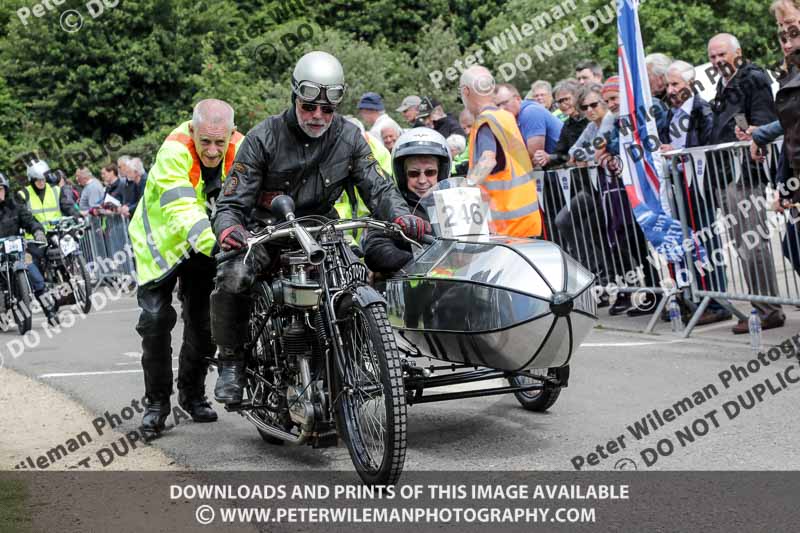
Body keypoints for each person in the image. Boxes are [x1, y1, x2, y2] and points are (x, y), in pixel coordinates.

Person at [210, 51, 421, 405]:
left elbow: (379, 187)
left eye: (327, 109)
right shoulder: (263, 138)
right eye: (309, 107)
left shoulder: (350, 137)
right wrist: (229, 228)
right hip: (266, 232)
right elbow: (231, 202)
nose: (318, 116)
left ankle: (354, 358)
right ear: (294, 98)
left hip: (320, 231)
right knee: (232, 276)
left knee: (355, 273)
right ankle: (231, 361)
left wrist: (402, 215)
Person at [128, 99, 245, 438]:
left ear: (231, 134)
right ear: (192, 130)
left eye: (219, 143)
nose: (211, 151)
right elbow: (182, 210)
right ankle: (156, 404)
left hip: (207, 244)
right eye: (204, 141)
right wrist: (218, 244)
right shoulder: (173, 151)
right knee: (154, 322)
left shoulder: (241, 147)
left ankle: (192, 395)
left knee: (205, 322)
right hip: (162, 245)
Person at [707, 32, 784, 333]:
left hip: (747, 174)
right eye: (712, 56)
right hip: (727, 174)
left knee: (752, 243)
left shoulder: (754, 77)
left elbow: (767, 121)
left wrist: (753, 131)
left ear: (737, 53)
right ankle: (760, 305)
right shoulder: (723, 83)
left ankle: (769, 309)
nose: (717, 61)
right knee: (742, 243)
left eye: (722, 55)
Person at [657, 59, 731, 325]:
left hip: (698, 186)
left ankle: (717, 300)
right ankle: (695, 297)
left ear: (689, 84)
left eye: (676, 84)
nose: (671, 90)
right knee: (688, 242)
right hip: (678, 186)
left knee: (706, 240)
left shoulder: (702, 109)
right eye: (668, 85)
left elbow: (707, 146)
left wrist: (679, 153)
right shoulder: (670, 113)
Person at [460, 65, 542, 237]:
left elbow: (488, 160)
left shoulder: (485, 122)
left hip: (506, 225)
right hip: (526, 217)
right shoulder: (506, 117)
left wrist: (464, 189)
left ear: (466, 91)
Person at [363, 127, 450, 274]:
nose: (422, 180)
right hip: (410, 290)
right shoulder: (393, 207)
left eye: (430, 172)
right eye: (414, 173)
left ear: (441, 173)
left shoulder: (454, 203)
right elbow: (376, 250)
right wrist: (418, 262)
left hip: (459, 288)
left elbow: (479, 244)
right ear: (403, 176)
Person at [0, 172, 59, 326]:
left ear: (5, 190)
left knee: (36, 276)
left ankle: (50, 311)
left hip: (18, 252)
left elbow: (30, 220)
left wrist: (38, 230)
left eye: (0, 189)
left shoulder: (15, 206)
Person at [494, 83, 563, 160]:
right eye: (497, 105)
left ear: (518, 99)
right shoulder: (512, 118)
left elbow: (535, 156)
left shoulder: (530, 112)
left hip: (569, 164)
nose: (501, 109)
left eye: (505, 103)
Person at [533, 80, 587, 168]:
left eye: (566, 99)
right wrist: (547, 157)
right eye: (559, 102)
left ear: (577, 97)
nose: (563, 105)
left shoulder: (591, 118)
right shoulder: (567, 125)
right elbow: (561, 154)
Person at [19, 160, 79, 235]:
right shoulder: (23, 194)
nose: (41, 182)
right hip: (36, 238)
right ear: (31, 179)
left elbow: (67, 206)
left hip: (57, 234)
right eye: (37, 179)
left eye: (43, 179)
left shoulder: (56, 190)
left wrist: (77, 215)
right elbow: (25, 218)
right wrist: (36, 230)